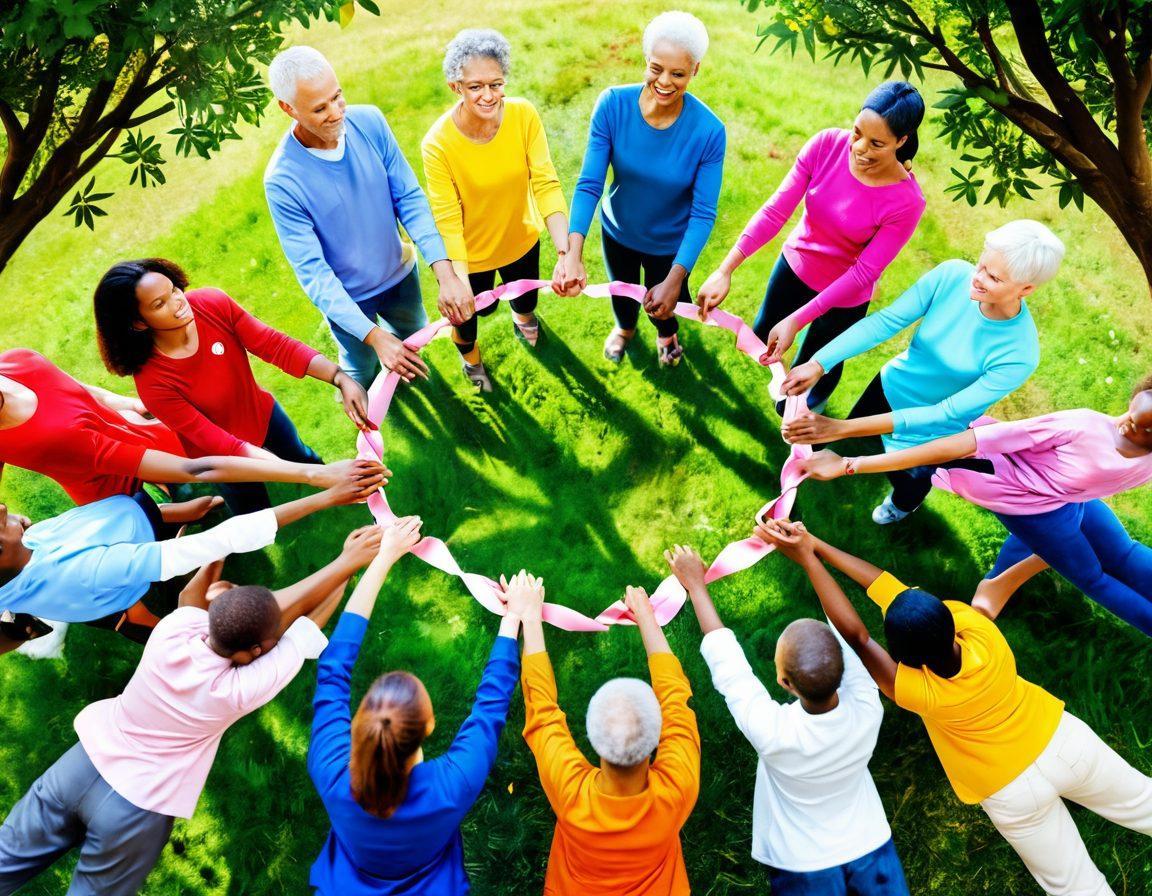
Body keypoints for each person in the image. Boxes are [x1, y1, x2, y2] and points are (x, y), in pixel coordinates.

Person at [757, 518, 1152, 896]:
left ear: (902, 655)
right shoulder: (979, 628)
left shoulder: (917, 691)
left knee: (1076, 887)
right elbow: (887, 588)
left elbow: (858, 639)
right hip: (1063, 742)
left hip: (1008, 789)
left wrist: (810, 557)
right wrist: (813, 547)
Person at [0, 519, 385, 896]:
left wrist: (217, 550)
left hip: (79, 767)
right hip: (137, 808)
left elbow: (191, 598)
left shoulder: (173, 631)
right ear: (255, 651)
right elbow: (303, 633)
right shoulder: (238, 690)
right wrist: (347, 568)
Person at [800, 375, 1152, 635]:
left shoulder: (1082, 426)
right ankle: (994, 589)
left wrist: (850, 463)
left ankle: (992, 593)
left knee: (1096, 578)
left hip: (1039, 512)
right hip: (1072, 498)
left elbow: (963, 445)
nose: (1124, 425)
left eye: (1137, 427)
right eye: (1130, 416)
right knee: (1123, 554)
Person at [780, 220, 1064, 524]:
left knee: (909, 479)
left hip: (934, 429)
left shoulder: (1020, 353)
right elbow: (886, 321)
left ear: (1026, 289)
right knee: (861, 442)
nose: (977, 279)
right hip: (890, 387)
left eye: (993, 277)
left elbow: (945, 411)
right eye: (981, 265)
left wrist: (840, 428)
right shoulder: (952, 275)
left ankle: (902, 505)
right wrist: (820, 362)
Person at [665, 544, 909, 894]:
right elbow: (849, 632)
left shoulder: (772, 731)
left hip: (800, 863)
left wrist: (697, 587)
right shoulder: (868, 706)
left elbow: (729, 666)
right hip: (869, 841)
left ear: (784, 682)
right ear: (844, 668)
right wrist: (810, 558)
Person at [308, 524, 538, 895]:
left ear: (359, 720)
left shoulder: (330, 768)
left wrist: (385, 558)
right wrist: (513, 617)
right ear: (429, 725)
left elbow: (333, 667)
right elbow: (490, 708)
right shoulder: (452, 784)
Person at [696, 82, 926, 411]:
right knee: (759, 338)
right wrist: (725, 269)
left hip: (845, 296)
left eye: (877, 143)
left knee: (812, 376)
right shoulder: (826, 145)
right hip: (796, 266)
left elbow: (864, 272)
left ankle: (803, 416)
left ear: (901, 141)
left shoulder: (907, 201)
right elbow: (775, 211)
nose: (860, 148)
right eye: (857, 132)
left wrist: (798, 319)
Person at [265, 46, 474, 390]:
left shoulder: (370, 122)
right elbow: (314, 274)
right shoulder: (282, 181)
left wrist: (445, 272)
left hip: (400, 275)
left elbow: (408, 198)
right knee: (360, 367)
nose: (335, 113)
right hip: (348, 301)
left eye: (337, 97)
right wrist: (373, 336)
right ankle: (363, 404)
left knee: (413, 336)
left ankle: (407, 385)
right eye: (319, 108)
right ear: (288, 108)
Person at [93, 257, 372, 514]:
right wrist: (310, 477)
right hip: (223, 457)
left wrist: (340, 377)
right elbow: (222, 443)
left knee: (303, 456)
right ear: (139, 323)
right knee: (255, 512)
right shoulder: (153, 384)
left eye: (173, 289)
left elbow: (274, 345)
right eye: (159, 304)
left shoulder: (211, 303)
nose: (178, 301)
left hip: (263, 415)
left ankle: (333, 485)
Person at [0, 470, 383, 650]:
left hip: (130, 532)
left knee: (207, 558)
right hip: (129, 584)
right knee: (223, 590)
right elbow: (215, 542)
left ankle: (178, 524)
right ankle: (148, 620)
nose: (3, 506)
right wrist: (326, 496)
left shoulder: (20, 551)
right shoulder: (86, 570)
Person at [0, 347, 374, 506]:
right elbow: (200, 467)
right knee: (160, 529)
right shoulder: (62, 439)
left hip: (135, 432)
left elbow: (75, 388)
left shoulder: (16, 360)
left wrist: (126, 403)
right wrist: (314, 475)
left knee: (188, 482)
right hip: (107, 484)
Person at [559, 10, 725, 367]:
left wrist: (675, 278)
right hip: (617, 231)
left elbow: (703, 213)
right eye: (656, 68)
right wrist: (572, 253)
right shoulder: (612, 105)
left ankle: (667, 335)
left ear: (695, 70)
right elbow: (589, 183)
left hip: (669, 246)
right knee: (622, 292)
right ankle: (625, 329)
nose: (664, 82)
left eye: (678, 73)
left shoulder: (710, 131)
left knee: (665, 303)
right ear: (646, 61)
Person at [522, 583, 700, 895]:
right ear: (657, 736)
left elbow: (542, 711)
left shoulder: (570, 792)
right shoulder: (678, 788)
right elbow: (675, 698)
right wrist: (646, 616)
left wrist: (530, 618)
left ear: (591, 739)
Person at [421, 29, 570, 392]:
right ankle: (471, 362)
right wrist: (456, 280)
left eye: (496, 84)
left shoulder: (523, 115)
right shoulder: (438, 144)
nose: (488, 96)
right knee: (468, 321)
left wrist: (566, 252)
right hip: (470, 258)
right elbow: (447, 220)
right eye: (475, 87)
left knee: (526, 299)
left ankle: (524, 321)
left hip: (520, 240)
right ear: (456, 86)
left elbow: (546, 183)